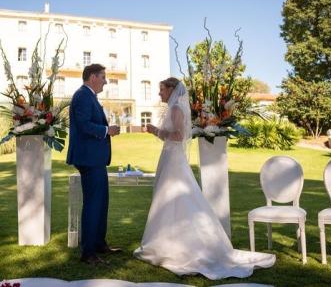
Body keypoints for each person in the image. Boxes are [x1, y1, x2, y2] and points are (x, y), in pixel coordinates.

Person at [133, 77, 275, 279]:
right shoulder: (174, 108)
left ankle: (175, 245)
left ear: (172, 90)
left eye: (162, 89)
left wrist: (155, 130)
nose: (159, 93)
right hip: (170, 157)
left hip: (173, 160)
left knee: (174, 197)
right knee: (168, 199)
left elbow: (179, 136)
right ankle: (167, 240)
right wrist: (157, 132)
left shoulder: (175, 110)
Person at [66, 64, 121, 265]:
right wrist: (107, 130)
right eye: (103, 77)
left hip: (95, 159)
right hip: (89, 159)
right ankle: (88, 253)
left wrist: (106, 130)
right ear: (92, 77)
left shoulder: (89, 96)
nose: (106, 81)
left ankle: (98, 244)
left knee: (101, 202)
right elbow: (84, 125)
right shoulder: (82, 96)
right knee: (93, 204)